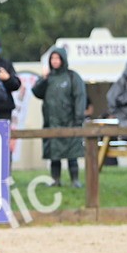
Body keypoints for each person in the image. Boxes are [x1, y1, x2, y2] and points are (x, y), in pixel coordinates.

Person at [31, 48, 87, 187]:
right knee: (54, 154)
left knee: (71, 153)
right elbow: (36, 92)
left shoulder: (72, 77)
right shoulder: (47, 78)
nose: (55, 61)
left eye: (57, 58)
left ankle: (75, 180)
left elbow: (80, 97)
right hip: (52, 122)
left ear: (63, 60)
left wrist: (79, 118)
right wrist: (43, 79)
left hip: (69, 122)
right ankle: (55, 180)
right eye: (52, 59)